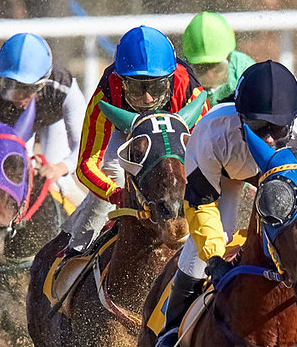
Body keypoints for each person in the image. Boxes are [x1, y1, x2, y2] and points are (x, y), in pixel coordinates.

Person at [153, 60, 297, 347]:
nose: (267, 139)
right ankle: (173, 329)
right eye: (256, 127)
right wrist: (214, 258)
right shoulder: (212, 132)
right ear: (240, 118)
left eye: (277, 129)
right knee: (209, 243)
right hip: (227, 178)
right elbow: (200, 204)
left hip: (288, 180)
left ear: (293, 121)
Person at [64, 25, 207, 255]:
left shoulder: (190, 91)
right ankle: (77, 247)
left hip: (174, 139)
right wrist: (115, 194)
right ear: (120, 80)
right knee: (113, 170)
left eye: (156, 86)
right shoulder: (106, 93)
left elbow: (207, 160)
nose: (147, 98)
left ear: (170, 79)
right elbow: (86, 165)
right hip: (126, 133)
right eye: (136, 87)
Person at [0, 32, 87, 205]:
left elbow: (84, 146)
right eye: (10, 85)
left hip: (53, 125)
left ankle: (93, 218)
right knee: (12, 177)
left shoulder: (64, 85)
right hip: (12, 130)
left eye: (27, 88)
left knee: (60, 183)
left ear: (43, 82)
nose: (18, 96)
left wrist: (61, 167)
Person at [180, 11, 255, 105]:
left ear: (229, 56)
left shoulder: (244, 69)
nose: (209, 75)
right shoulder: (179, 75)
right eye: (201, 68)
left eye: (215, 66)